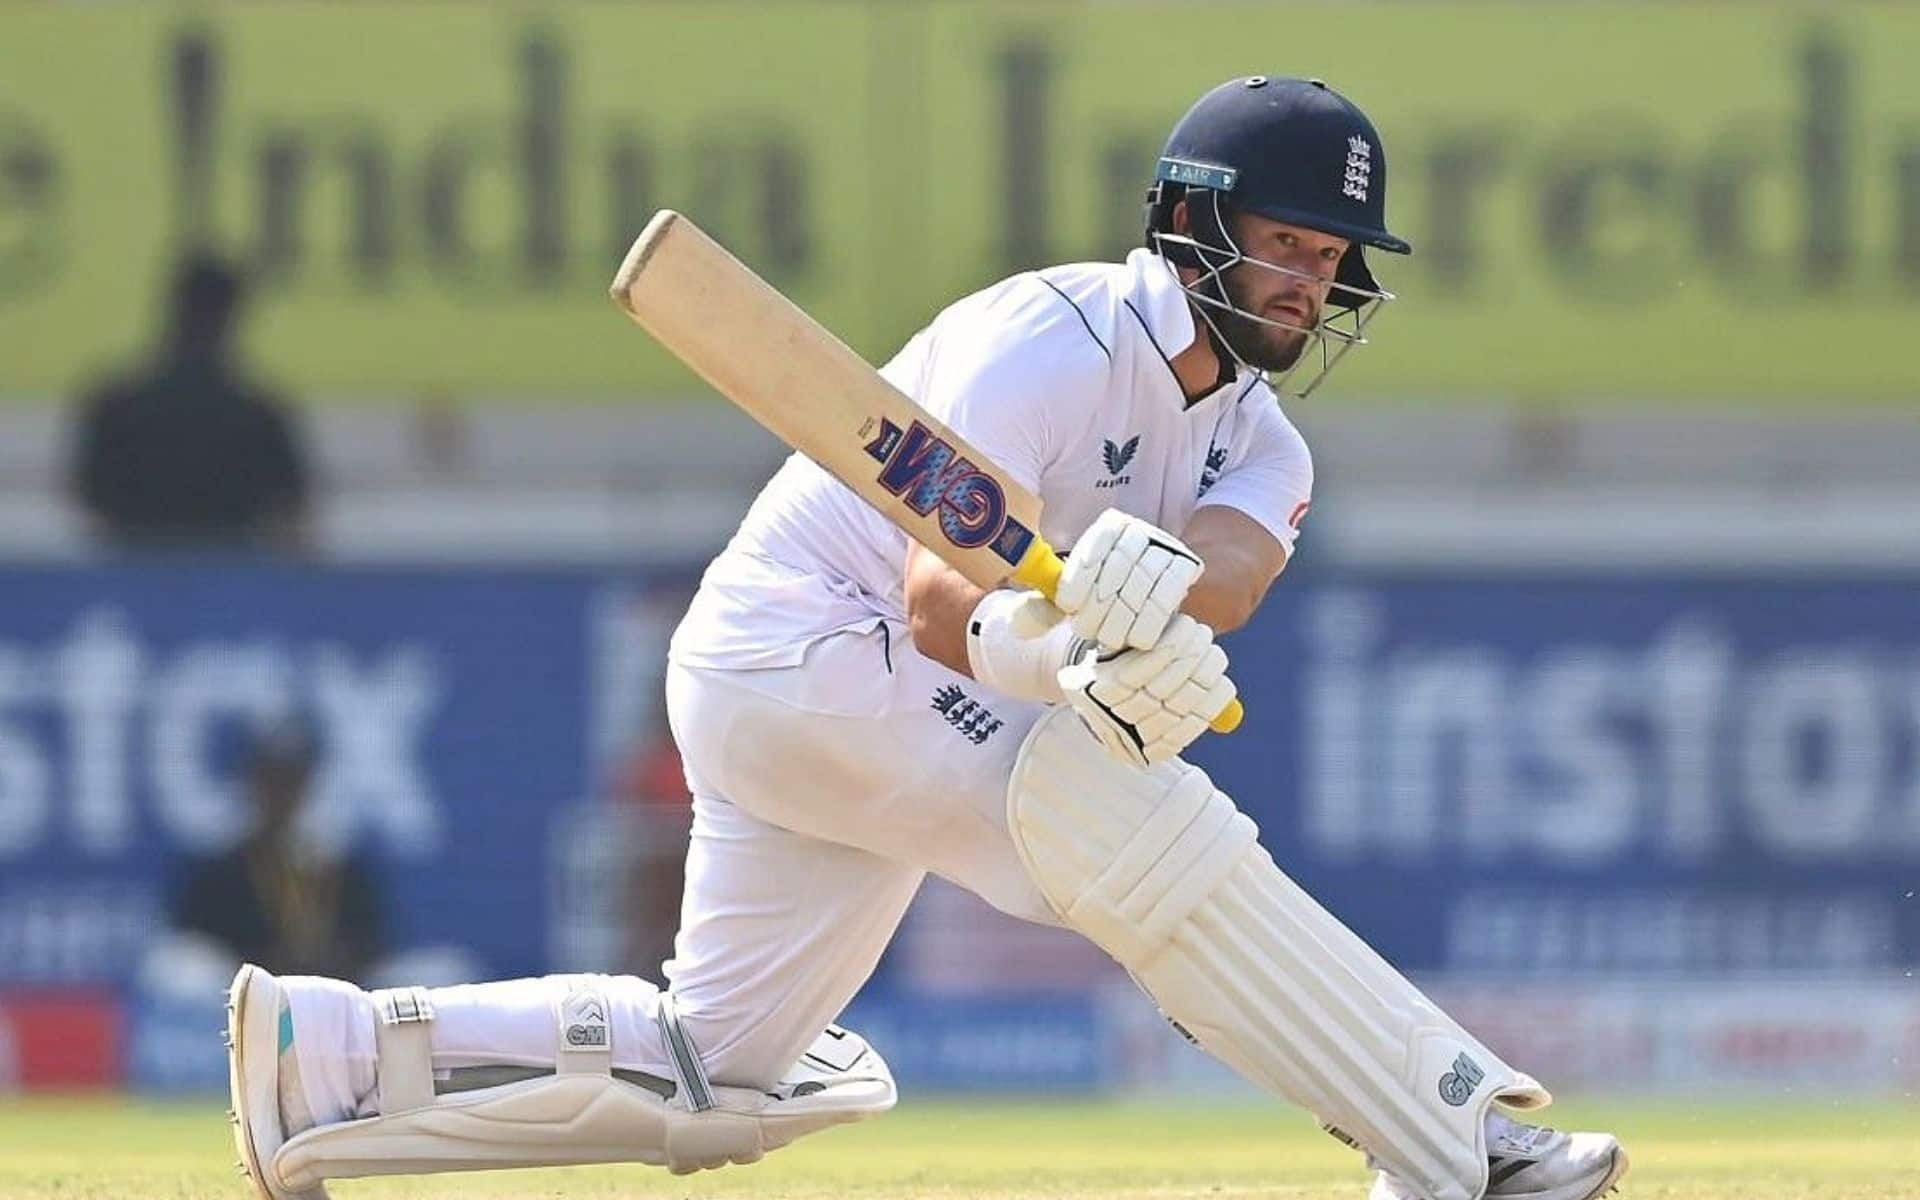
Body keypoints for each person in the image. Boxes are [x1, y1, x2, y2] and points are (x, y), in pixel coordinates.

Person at [224, 78, 1629, 1200]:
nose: (1306, 286)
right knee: (1134, 827)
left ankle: (324, 1063)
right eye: (1284, 245)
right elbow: (934, 599)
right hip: (806, 646)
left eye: (1328, 262)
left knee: (719, 1074)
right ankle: (1461, 1142)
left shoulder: (1258, 435)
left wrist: (1148, 590)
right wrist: (1069, 654)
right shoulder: (1053, 340)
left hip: (835, 709)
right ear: (1194, 219)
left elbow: (1240, 569)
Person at [70, 252, 311, 551]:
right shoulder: (257, 415)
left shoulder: (118, 405)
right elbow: (292, 509)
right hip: (231, 582)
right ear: (233, 315)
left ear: (172, 308)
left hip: (137, 578)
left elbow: (91, 497)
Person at [174, 722, 384, 982]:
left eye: (290, 782)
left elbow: (370, 948)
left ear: (306, 787)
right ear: (252, 782)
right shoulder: (218, 876)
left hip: (328, 1006)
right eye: (271, 780)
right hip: (238, 1010)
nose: (280, 794)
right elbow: (197, 951)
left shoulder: (340, 873)